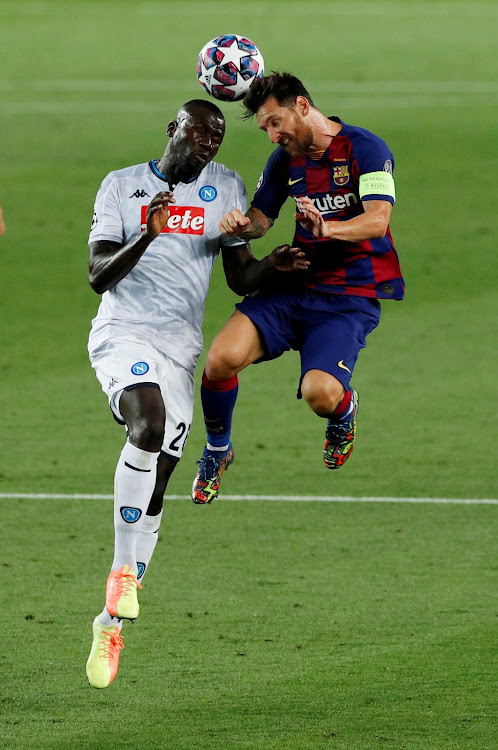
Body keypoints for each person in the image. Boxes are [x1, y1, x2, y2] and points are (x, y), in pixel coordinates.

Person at [85, 99, 307, 689]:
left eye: (215, 139)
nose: (207, 145)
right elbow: (98, 274)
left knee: (157, 484)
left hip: (180, 347)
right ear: (172, 130)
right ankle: (121, 579)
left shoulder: (225, 188)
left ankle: (111, 624)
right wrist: (148, 236)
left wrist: (274, 266)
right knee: (147, 426)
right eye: (198, 133)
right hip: (123, 331)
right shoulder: (123, 187)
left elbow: (239, 276)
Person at [191, 72, 404, 505]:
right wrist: (239, 226)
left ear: (302, 106)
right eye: (266, 128)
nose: (272, 136)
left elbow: (378, 220)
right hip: (294, 284)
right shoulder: (287, 160)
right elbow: (262, 219)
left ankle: (343, 412)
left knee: (319, 395)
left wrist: (328, 227)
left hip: (348, 297)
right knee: (219, 360)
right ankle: (217, 451)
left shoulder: (367, 149)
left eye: (275, 122)